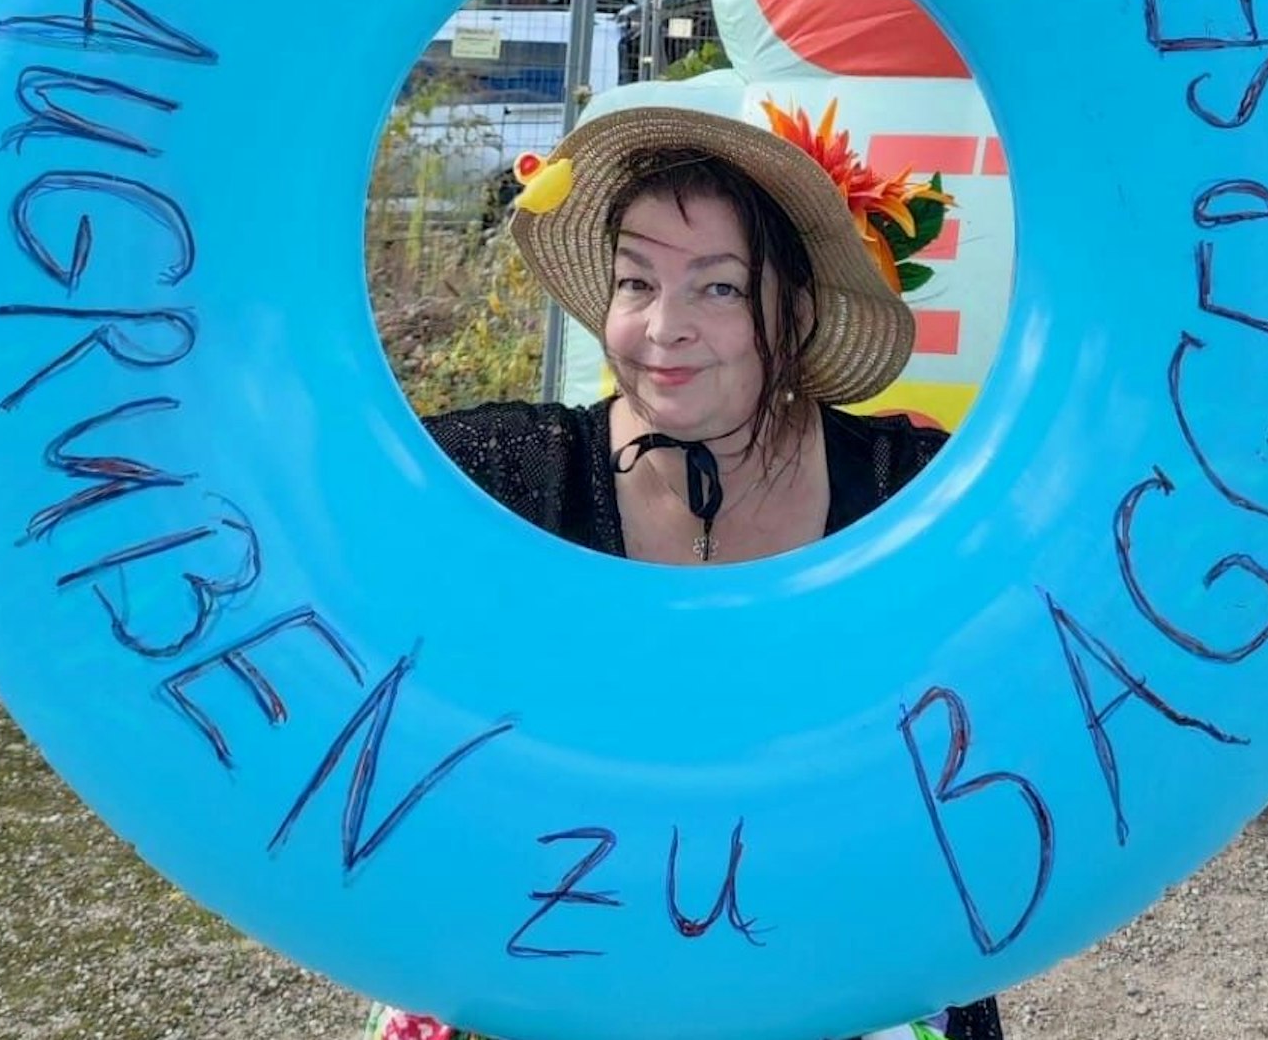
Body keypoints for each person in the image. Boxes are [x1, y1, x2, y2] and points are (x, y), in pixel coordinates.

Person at [365, 99, 1002, 1040]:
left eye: (719, 289)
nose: (663, 329)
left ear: (796, 308)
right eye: (635, 283)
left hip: (843, 960)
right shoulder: (504, 476)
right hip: (550, 954)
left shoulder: (912, 492)